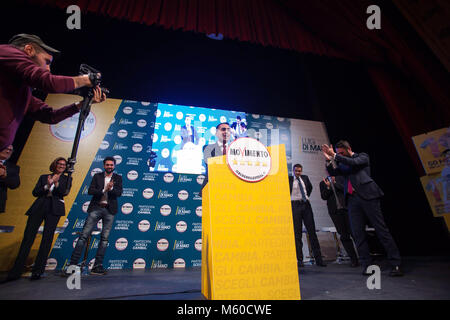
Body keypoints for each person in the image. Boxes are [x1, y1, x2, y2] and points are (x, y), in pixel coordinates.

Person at [0, 33, 106, 151]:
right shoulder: (8, 52)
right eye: (47, 62)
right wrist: (85, 80)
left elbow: (50, 116)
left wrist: (81, 105)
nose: (48, 69)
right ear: (29, 49)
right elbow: (48, 82)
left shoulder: (22, 92)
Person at [322, 140, 403, 276]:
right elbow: (334, 172)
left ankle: (396, 264)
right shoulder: (344, 163)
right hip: (352, 200)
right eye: (339, 153)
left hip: (368, 197)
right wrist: (329, 160)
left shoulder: (362, 157)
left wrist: (335, 155)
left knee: (381, 230)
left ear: (349, 149)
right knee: (358, 234)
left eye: (342, 153)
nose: (340, 155)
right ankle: (367, 266)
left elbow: (353, 163)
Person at [6, 157, 72, 281]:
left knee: (47, 239)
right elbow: (35, 192)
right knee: (28, 238)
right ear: (55, 164)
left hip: (54, 210)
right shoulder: (44, 177)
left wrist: (56, 183)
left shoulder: (67, 179)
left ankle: (38, 271)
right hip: (39, 207)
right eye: (59, 164)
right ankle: (16, 271)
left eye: (64, 165)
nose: (62, 166)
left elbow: (64, 192)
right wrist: (48, 184)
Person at [65, 156, 122, 275]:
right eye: (107, 165)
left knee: (104, 239)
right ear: (104, 165)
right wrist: (103, 190)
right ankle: (72, 266)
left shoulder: (118, 178)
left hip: (109, 210)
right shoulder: (97, 176)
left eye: (111, 165)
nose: (109, 167)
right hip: (96, 208)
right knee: (83, 236)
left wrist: (110, 190)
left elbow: (119, 193)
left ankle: (97, 266)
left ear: (114, 166)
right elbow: (90, 190)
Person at [289, 164, 326, 267]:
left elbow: (309, 188)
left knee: (312, 232)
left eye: (300, 171)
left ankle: (319, 260)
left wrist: (305, 198)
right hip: (294, 205)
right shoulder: (289, 179)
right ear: (293, 170)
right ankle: (300, 260)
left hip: (306, 205)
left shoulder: (305, 178)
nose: (298, 172)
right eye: (296, 171)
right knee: (297, 234)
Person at [319, 175, 359, 267]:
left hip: (347, 209)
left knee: (355, 233)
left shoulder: (342, 179)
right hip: (335, 212)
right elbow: (324, 196)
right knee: (344, 236)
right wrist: (328, 186)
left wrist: (335, 183)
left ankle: (365, 257)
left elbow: (348, 190)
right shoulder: (323, 183)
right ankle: (354, 259)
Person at [201, 122, 231, 192]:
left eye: (228, 130)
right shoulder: (207, 148)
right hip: (212, 188)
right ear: (216, 133)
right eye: (223, 129)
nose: (226, 132)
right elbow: (211, 165)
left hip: (231, 188)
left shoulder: (235, 150)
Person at [0, 145, 20, 213]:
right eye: (6, 148)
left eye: (10, 150)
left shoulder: (13, 168)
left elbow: (15, 184)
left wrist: (4, 177)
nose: (8, 151)